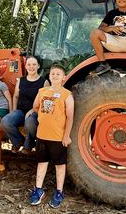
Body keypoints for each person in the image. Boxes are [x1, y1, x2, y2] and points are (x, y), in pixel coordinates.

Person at [29, 64, 74, 209]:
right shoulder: (42, 91)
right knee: (42, 163)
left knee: (59, 166)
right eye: (52, 73)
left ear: (63, 77)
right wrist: (44, 117)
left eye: (58, 74)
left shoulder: (67, 94)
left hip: (58, 137)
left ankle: (59, 191)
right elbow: (36, 106)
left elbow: (70, 117)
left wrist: (66, 136)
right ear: (49, 76)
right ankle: (38, 189)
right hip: (42, 135)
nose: (54, 76)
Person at [1, 56, 49, 154]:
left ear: (38, 66)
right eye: (29, 64)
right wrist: (13, 111)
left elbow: (44, 102)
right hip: (20, 111)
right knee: (6, 121)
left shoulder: (44, 82)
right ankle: (18, 142)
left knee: (29, 122)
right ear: (26, 66)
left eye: (34, 64)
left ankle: (28, 145)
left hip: (35, 112)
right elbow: (15, 97)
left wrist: (32, 111)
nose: (31, 67)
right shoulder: (21, 81)